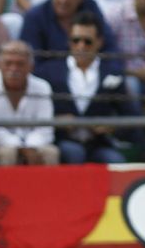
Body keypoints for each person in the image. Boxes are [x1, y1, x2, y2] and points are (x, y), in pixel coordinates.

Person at [52, 11, 140, 163]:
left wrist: (110, 127)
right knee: (74, 153)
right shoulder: (51, 72)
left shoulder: (112, 73)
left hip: (98, 144)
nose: (81, 46)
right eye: (76, 40)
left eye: (87, 41)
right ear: (69, 41)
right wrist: (57, 121)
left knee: (116, 160)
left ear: (99, 42)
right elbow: (37, 112)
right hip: (63, 141)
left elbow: (131, 117)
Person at [20, 0, 115, 87]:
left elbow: (109, 47)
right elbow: (32, 62)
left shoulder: (91, 7)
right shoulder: (35, 17)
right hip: (47, 81)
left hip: (91, 77)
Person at [0, 40, 62, 165]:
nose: (13, 69)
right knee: (8, 153)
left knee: (51, 153)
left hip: (33, 143)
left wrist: (30, 147)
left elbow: (45, 130)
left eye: (20, 64)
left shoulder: (42, 87)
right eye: (8, 63)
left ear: (31, 67)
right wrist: (20, 147)